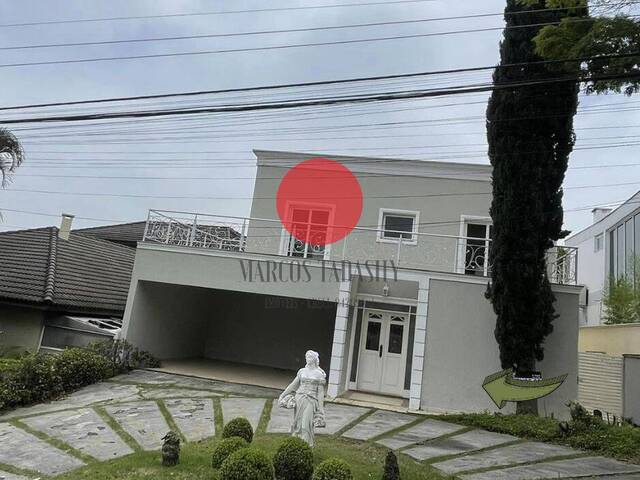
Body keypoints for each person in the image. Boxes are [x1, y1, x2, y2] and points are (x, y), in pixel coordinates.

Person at [278, 350, 326, 446]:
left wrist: (321, 409)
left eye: (310, 357)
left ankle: (306, 446)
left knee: (306, 425)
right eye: (306, 357)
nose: (308, 359)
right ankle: (296, 444)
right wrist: (282, 394)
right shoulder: (302, 371)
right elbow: (293, 385)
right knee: (298, 424)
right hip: (299, 398)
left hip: (310, 400)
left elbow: (320, 393)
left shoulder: (319, 374)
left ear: (315, 359)